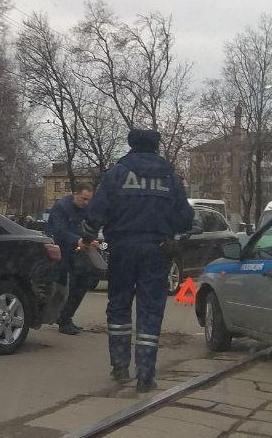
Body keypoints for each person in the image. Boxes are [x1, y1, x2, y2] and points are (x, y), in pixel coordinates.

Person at [82, 129, 193, 391]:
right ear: (156, 147)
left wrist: (87, 235)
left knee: (119, 305)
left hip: (121, 248)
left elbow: (97, 211)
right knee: (150, 310)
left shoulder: (117, 174)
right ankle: (146, 374)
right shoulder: (170, 178)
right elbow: (186, 219)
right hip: (157, 250)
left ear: (131, 145)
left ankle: (120, 367)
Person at [46, 183, 99, 335]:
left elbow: (88, 228)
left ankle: (66, 317)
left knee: (84, 280)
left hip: (76, 250)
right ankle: (61, 317)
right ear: (75, 193)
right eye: (84, 199)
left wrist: (91, 240)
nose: (86, 203)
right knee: (65, 285)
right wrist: (79, 241)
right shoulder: (61, 207)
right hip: (59, 251)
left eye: (89, 199)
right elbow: (59, 232)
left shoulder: (85, 209)